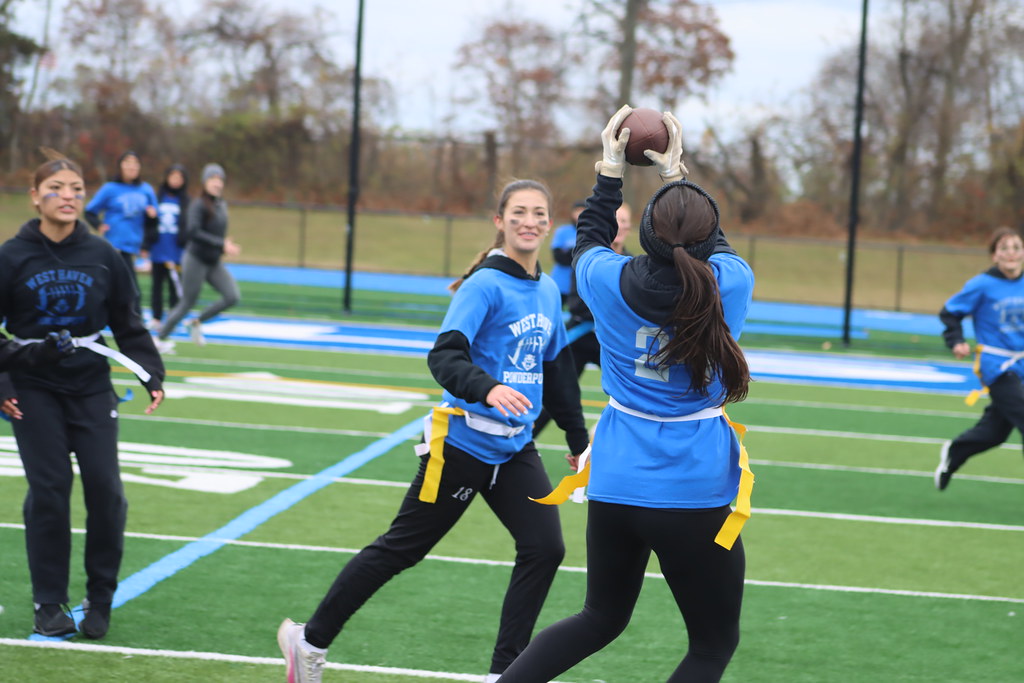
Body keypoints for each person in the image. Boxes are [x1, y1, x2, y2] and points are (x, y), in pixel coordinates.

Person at [277, 179, 590, 683]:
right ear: (499, 221)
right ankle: (308, 641)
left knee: (545, 548)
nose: (528, 221)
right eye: (518, 212)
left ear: (550, 223)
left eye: (538, 213)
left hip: (514, 450)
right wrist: (486, 387)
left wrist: (579, 440)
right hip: (461, 443)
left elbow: (557, 371)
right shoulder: (484, 285)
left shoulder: (550, 289)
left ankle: (503, 674)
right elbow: (443, 355)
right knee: (402, 549)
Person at [496, 106, 755, 683]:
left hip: (616, 481)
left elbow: (591, 236)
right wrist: (676, 176)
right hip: (694, 488)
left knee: (599, 617)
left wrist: (610, 169)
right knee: (711, 648)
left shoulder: (605, 280)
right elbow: (716, 244)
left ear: (642, 235)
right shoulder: (733, 283)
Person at [0, 149, 165, 640]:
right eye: (56, 188)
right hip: (31, 386)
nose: (67, 196)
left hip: (91, 385)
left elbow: (128, 324)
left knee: (107, 492)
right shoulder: (10, 256)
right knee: (50, 490)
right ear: (35, 197)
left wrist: (150, 372)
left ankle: (100, 597)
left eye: (76, 189)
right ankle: (48, 602)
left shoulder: (104, 256)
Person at [935, 226, 1024, 490]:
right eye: (1004, 248)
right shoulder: (982, 285)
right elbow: (949, 312)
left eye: (1016, 247)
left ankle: (956, 452)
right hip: (996, 365)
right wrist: (956, 340)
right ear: (994, 256)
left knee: (994, 433)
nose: (1011, 253)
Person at [533, 202, 631, 438]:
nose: (619, 225)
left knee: (632, 393)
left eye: (624, 220)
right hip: (579, 335)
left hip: (612, 342)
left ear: (629, 227)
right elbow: (580, 303)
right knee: (553, 392)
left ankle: (605, 443)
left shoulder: (636, 265)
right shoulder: (588, 259)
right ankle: (521, 440)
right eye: (615, 219)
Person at [154, 163, 241, 354]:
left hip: (213, 261)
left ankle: (196, 322)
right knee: (187, 302)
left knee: (232, 296)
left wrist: (223, 246)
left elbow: (216, 233)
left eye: (220, 180)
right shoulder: (198, 204)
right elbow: (192, 232)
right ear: (205, 182)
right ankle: (159, 339)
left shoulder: (221, 204)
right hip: (195, 259)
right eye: (213, 179)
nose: (217, 183)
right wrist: (221, 244)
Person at [84, 150, 158, 292]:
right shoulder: (110, 188)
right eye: (128, 163)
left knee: (131, 291)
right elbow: (89, 212)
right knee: (122, 288)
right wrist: (99, 225)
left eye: (135, 163)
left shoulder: (146, 189)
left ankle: (131, 314)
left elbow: (153, 222)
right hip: (115, 246)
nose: (132, 167)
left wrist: (147, 243)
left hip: (136, 247)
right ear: (120, 166)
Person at [143, 164, 189, 333]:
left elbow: (188, 226)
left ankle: (173, 318)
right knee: (156, 286)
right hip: (158, 249)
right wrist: (146, 244)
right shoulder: (157, 197)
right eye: (173, 176)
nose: (175, 181)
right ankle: (156, 317)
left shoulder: (185, 201)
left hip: (176, 252)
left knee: (174, 286)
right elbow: (149, 223)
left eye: (179, 178)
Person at [550, 200, 586, 304]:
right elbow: (559, 257)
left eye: (582, 211)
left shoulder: (590, 232)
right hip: (560, 282)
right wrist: (578, 252)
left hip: (579, 285)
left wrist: (569, 252)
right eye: (577, 211)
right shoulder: (562, 231)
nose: (579, 214)